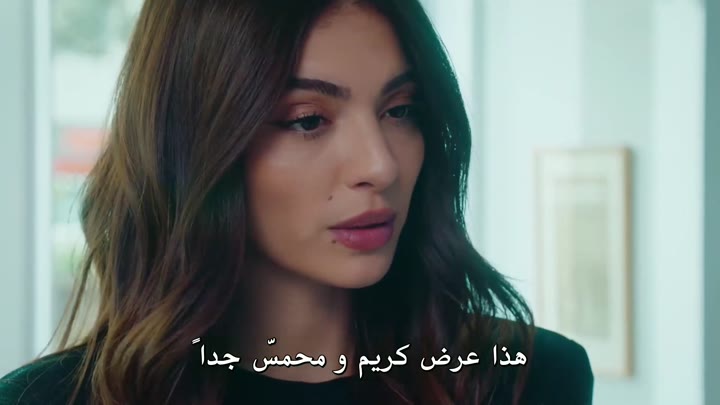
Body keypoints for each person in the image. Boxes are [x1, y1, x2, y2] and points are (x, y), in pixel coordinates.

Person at [0, 0, 594, 404]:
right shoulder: (50, 399)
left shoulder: (526, 380)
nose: (380, 165)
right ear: (196, 146)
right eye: (308, 120)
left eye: (401, 110)